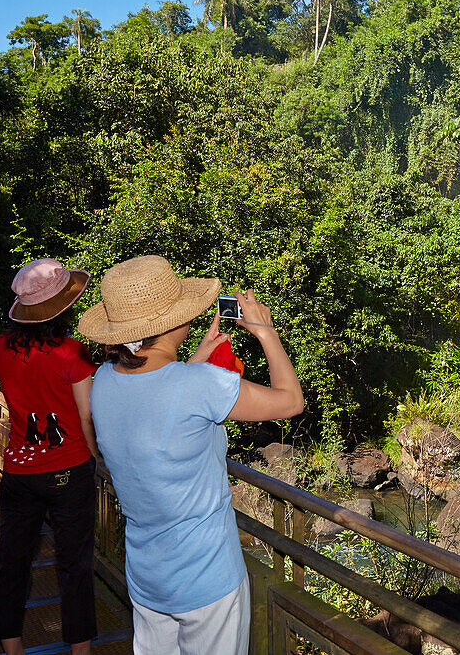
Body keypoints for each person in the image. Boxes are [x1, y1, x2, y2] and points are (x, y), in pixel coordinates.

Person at [78, 255, 304, 655]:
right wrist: (266, 332)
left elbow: (160, 397)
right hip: (208, 580)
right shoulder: (199, 385)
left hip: (148, 579)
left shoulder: (103, 382)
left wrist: (196, 358)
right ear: (172, 323)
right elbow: (290, 402)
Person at [0, 259, 99, 655]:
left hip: (19, 469)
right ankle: (80, 651)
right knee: (75, 565)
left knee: (12, 561)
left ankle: (12, 647)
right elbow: (85, 416)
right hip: (69, 468)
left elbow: (14, 391)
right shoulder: (73, 353)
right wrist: (95, 459)